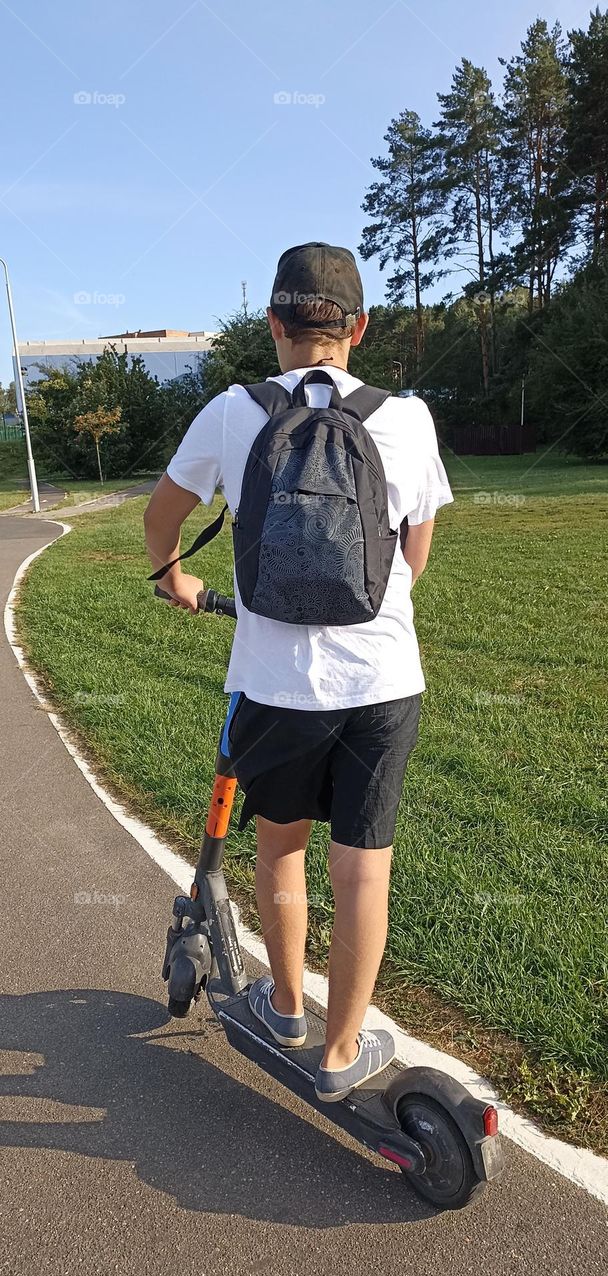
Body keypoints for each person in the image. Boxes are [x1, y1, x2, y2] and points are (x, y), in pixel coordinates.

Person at [144, 242, 453, 1102]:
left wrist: (176, 575)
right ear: (358, 328)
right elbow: (414, 556)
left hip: (276, 687)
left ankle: (283, 1007)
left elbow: (161, 514)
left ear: (274, 325)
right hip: (384, 684)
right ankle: (341, 1049)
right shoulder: (409, 418)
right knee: (364, 867)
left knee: (281, 849)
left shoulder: (232, 412)